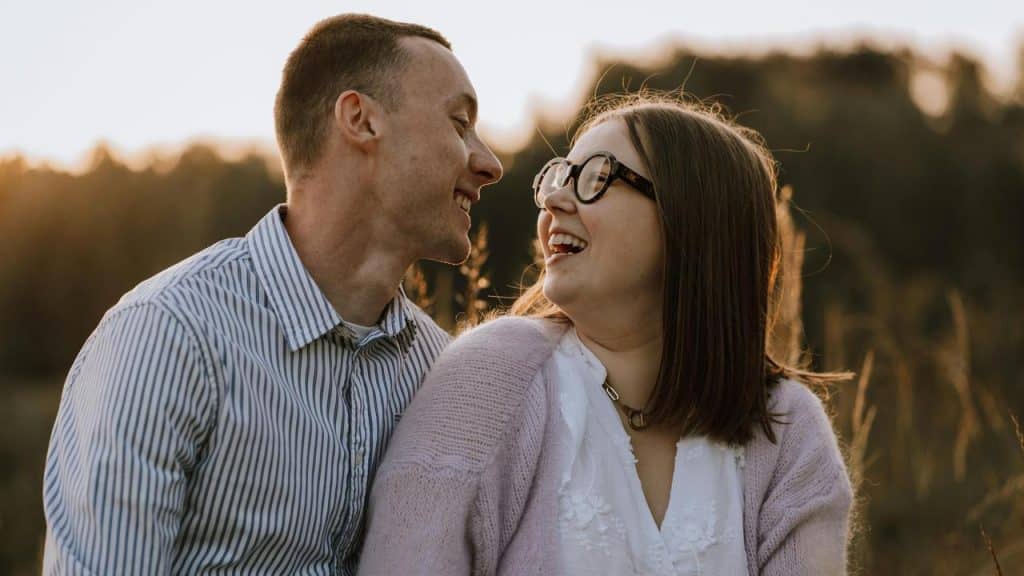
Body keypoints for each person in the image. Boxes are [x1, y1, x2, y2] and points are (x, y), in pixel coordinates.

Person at [42, 13, 502, 574]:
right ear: (360, 120)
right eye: (459, 123)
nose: (490, 163)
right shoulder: (168, 335)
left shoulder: (437, 369)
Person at [357, 96, 854, 575]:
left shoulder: (788, 431)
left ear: (690, 218)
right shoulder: (490, 379)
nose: (553, 199)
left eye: (595, 177)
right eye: (557, 176)